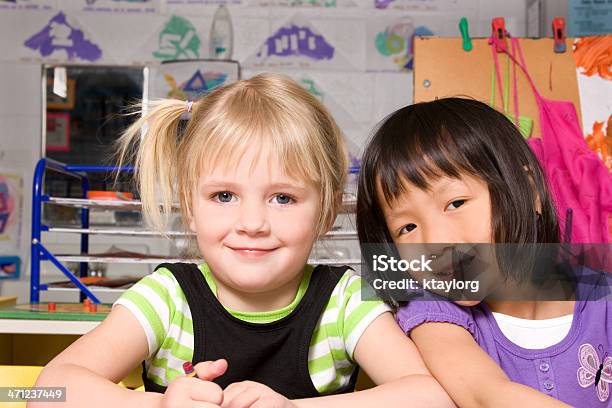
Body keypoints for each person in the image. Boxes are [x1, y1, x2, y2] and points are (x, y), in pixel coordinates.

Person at [32, 73, 453, 408]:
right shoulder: (166, 297)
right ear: (191, 209)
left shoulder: (345, 300)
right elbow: (46, 390)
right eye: (224, 196)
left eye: (283, 197)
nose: (252, 223)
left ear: (325, 212)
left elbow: (432, 396)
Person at [356, 97, 612, 407]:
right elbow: (485, 395)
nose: (435, 241)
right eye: (407, 228)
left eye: (456, 203)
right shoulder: (433, 312)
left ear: (530, 191)